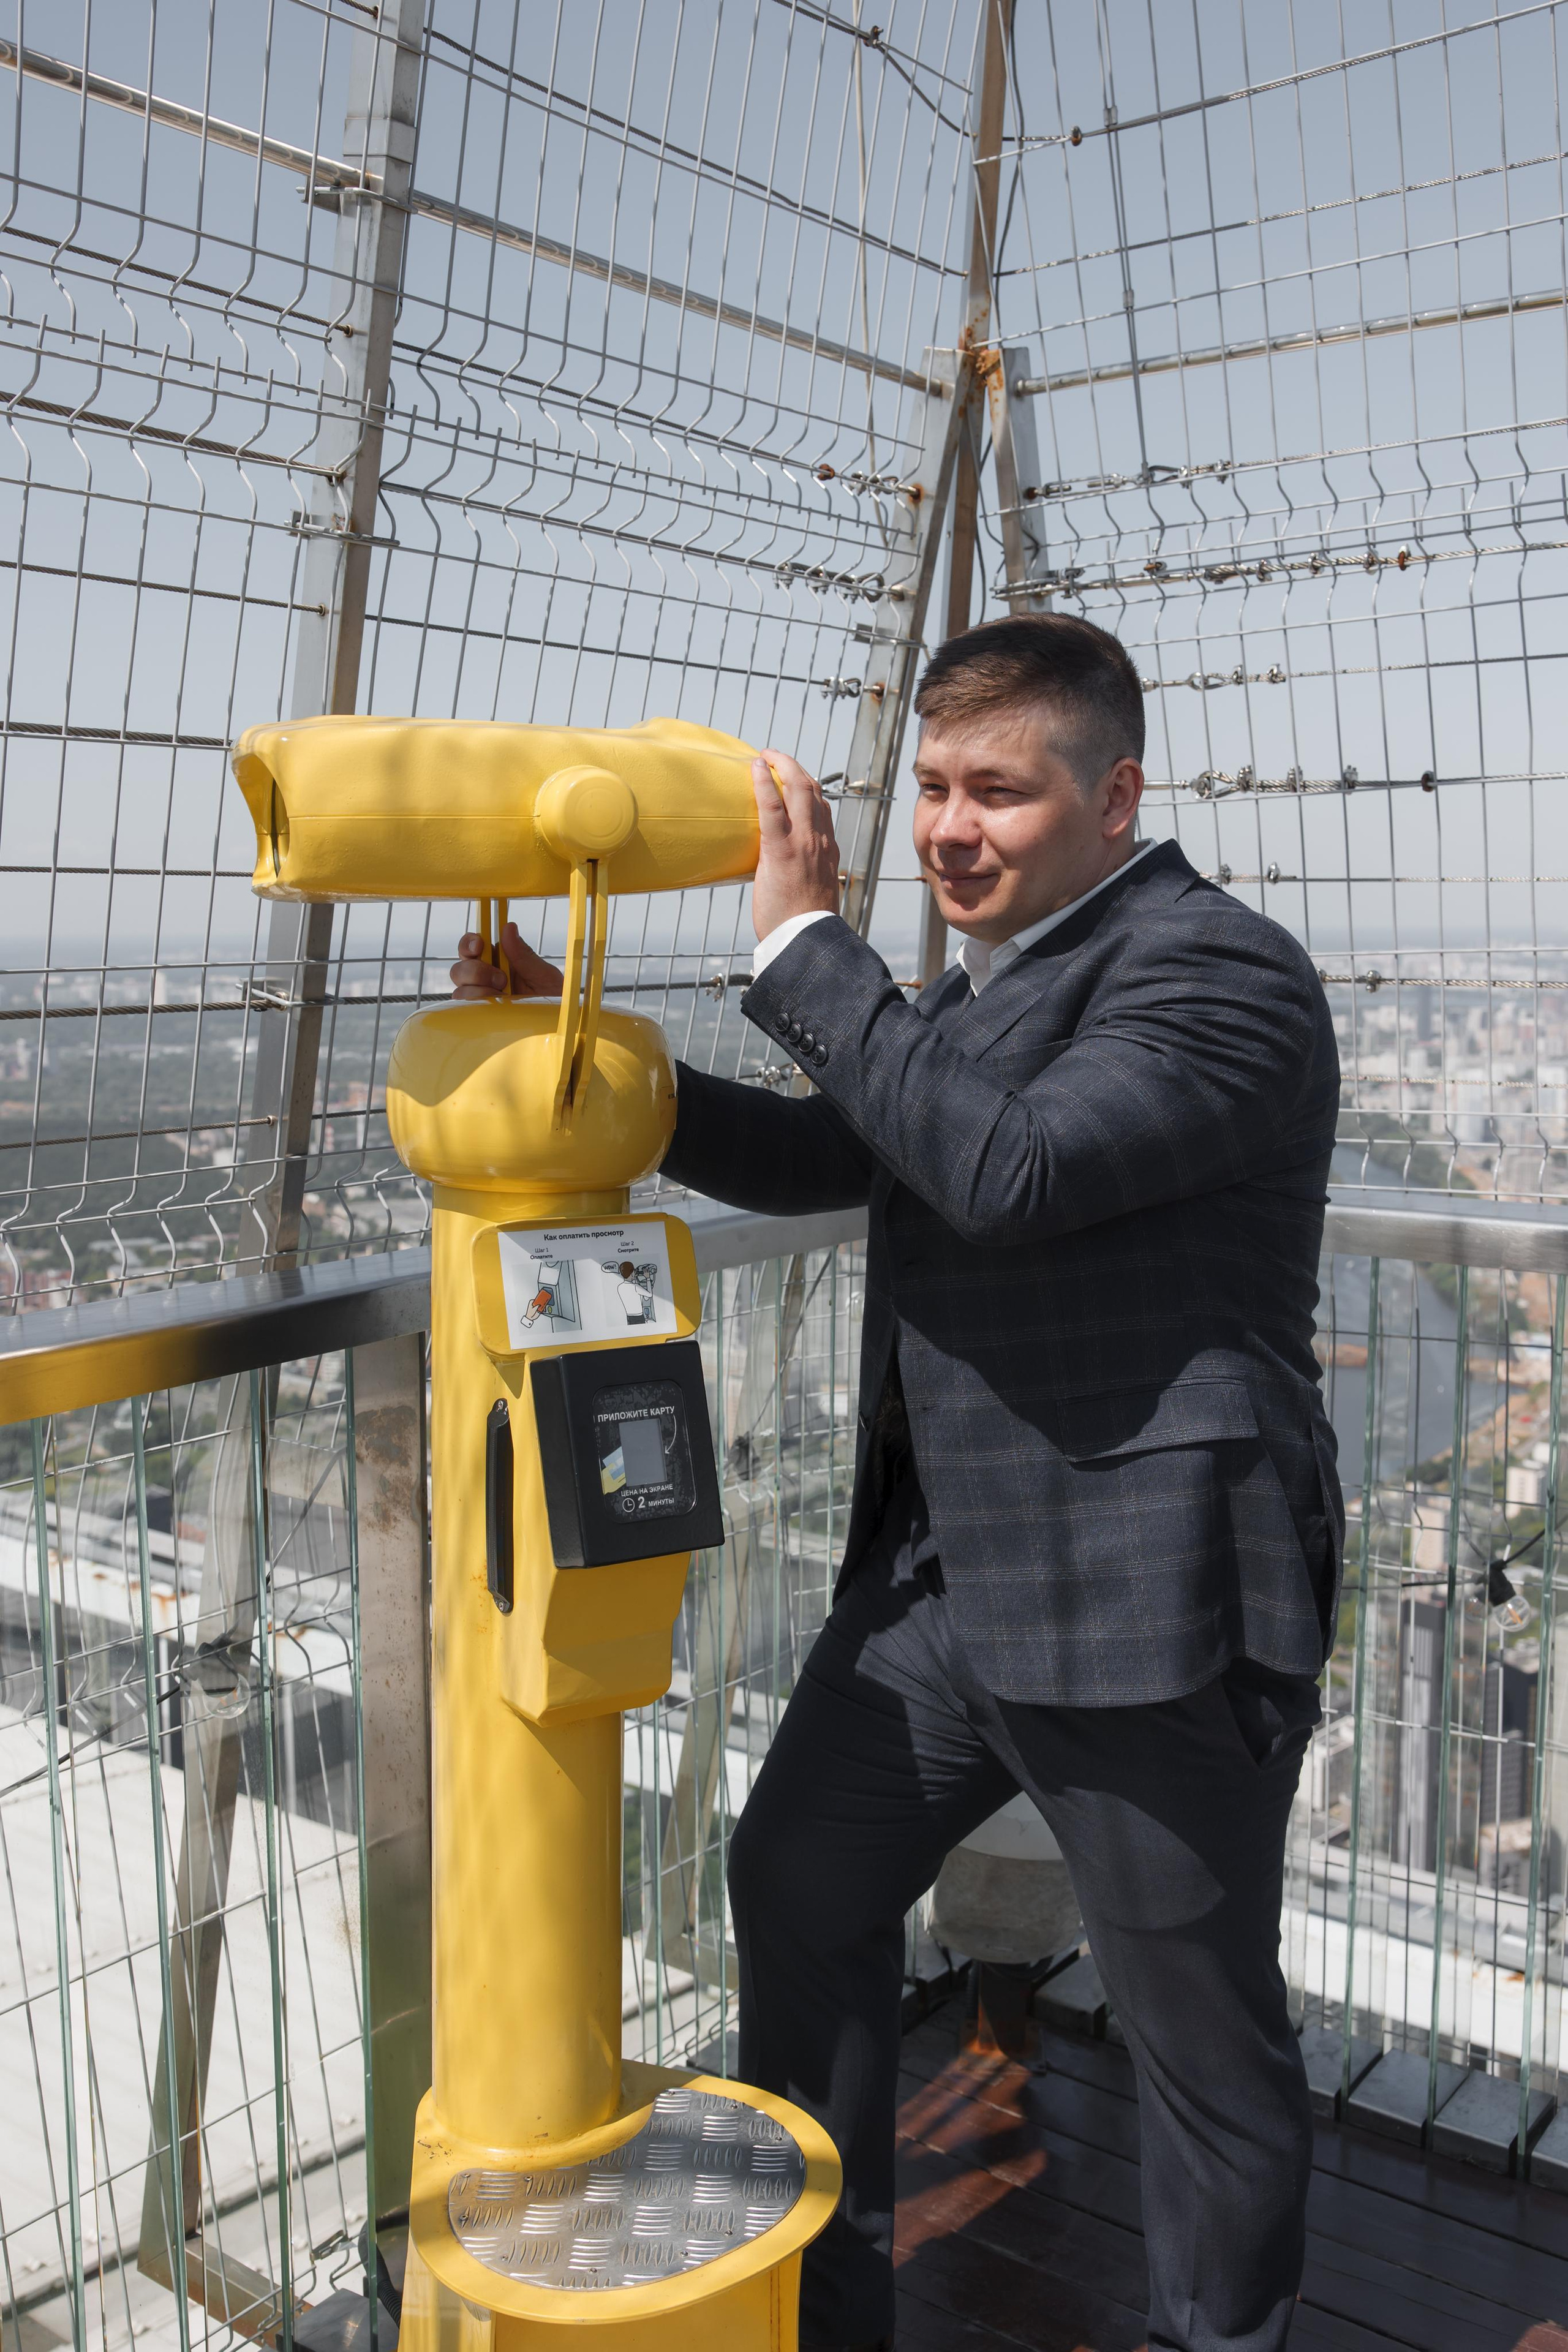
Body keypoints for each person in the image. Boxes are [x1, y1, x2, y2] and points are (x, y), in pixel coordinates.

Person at [451, 614, 1343, 2352]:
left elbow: (1003, 1168)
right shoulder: (978, 986)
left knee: (1203, 2044)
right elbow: (833, 1148)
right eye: (933, 784)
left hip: (1151, 1606)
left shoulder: (1218, 973)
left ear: (1116, 794)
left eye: (998, 791)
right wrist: (600, 1049)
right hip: (947, 1593)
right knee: (797, 1883)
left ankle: (1222, 2337)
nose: (950, 827)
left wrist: (802, 942)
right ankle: (824, 2297)